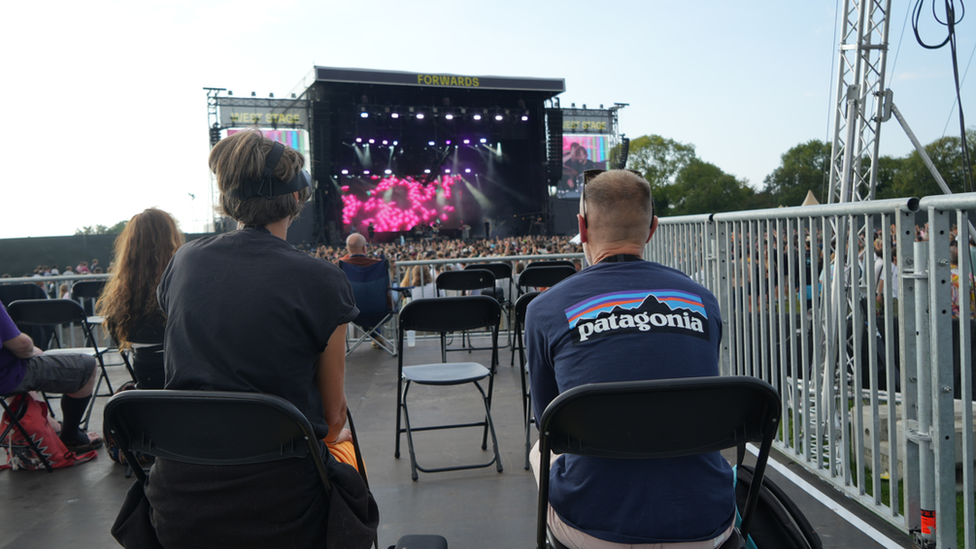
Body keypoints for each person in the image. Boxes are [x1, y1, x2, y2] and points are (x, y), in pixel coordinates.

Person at [126, 129, 370, 547]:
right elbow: (333, 418)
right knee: (346, 447)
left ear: (229, 197)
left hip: (176, 503)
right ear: (297, 197)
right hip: (283, 507)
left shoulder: (184, 261)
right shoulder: (323, 279)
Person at [525, 169, 733, 548]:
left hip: (595, 527)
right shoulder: (704, 300)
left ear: (582, 228)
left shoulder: (544, 309)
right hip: (708, 519)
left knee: (539, 449)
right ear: (652, 228)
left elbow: (548, 424)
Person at [96, 208, 184, 389]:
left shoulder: (121, 296)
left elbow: (118, 334)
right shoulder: (184, 282)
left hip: (145, 379)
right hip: (183, 379)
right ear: (171, 238)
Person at [0, 302, 102, 452]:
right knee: (87, 365)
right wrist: (31, 350)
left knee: (22, 365)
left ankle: (48, 424)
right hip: (5, 376)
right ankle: (71, 437)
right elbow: (21, 346)